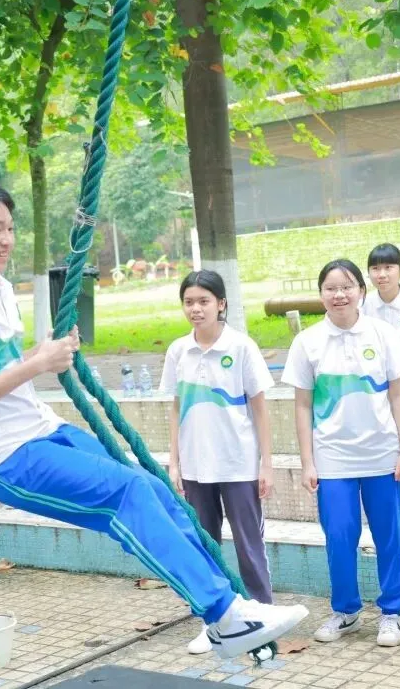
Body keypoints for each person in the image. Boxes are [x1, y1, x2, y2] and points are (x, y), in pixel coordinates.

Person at [0, 181, 308, 660]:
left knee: (150, 485)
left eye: (11, 229)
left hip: (34, 427)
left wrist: (42, 353)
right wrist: (38, 363)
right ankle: (225, 616)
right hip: (0, 454)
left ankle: (232, 609)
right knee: (127, 494)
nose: (7, 240)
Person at [281, 259, 400, 648]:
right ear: (321, 294)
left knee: (389, 535)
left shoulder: (383, 334)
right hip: (332, 457)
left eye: (347, 286)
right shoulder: (308, 342)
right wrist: (308, 461)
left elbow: (399, 394)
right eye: (331, 288)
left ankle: (392, 613)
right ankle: (346, 611)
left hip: (382, 455)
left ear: (361, 291)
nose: (339, 294)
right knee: (339, 535)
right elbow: (302, 405)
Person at [162, 269, 276, 655]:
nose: (196, 309)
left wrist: (266, 464)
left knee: (249, 546)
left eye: (204, 301)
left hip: (238, 465)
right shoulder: (178, 351)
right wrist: (175, 463)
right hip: (196, 468)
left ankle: (262, 617)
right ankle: (212, 622)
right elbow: (175, 408)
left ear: (221, 304)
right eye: (189, 302)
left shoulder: (241, 347)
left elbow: (261, 410)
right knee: (203, 547)